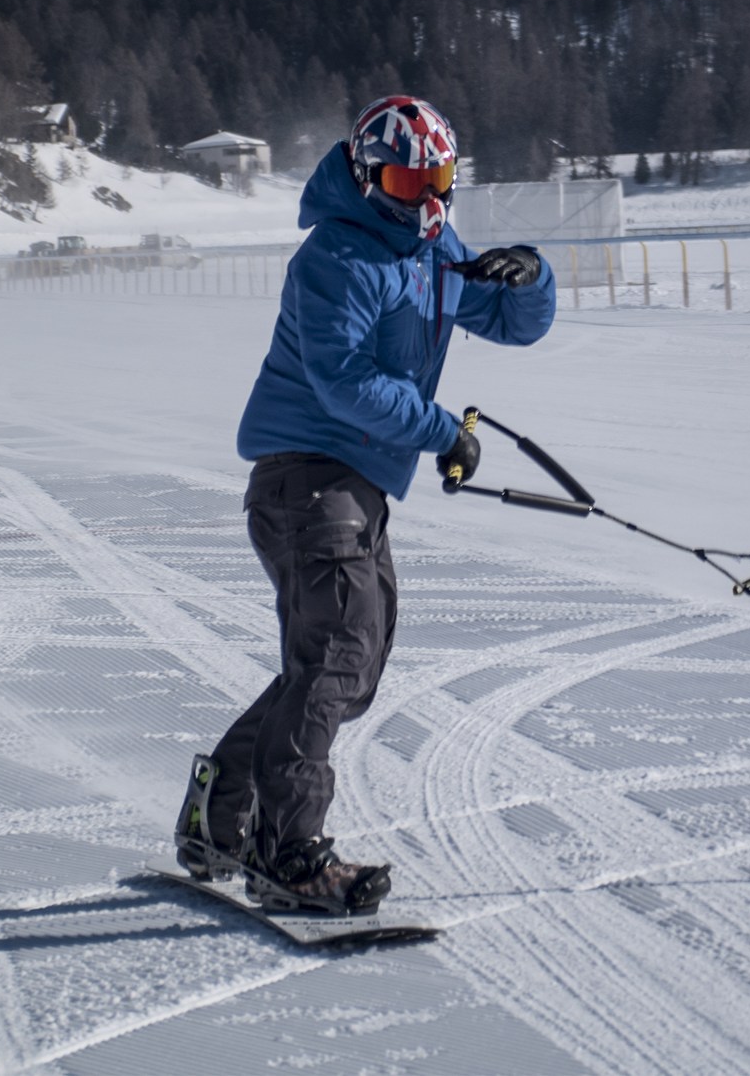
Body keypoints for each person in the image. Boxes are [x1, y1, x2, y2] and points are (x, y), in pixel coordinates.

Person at [175, 95, 556, 913]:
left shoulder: (434, 247)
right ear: (366, 176)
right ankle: (288, 854)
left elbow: (511, 322)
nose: (425, 201)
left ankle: (217, 813)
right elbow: (344, 383)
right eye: (407, 182)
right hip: (307, 478)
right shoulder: (337, 258)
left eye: (439, 181)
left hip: (353, 487)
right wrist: (443, 432)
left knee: (348, 671)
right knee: (337, 657)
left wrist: (530, 274)